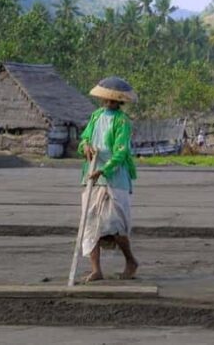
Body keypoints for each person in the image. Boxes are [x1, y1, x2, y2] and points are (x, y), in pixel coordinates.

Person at [78, 76, 138, 282]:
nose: (109, 103)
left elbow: (121, 152)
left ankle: (130, 261)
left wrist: (104, 171)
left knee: (115, 224)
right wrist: (85, 146)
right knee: (90, 222)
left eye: (113, 101)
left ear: (118, 101)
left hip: (115, 179)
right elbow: (84, 138)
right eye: (106, 100)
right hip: (92, 176)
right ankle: (96, 269)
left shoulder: (122, 122)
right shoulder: (95, 116)